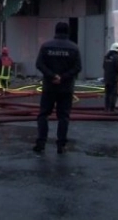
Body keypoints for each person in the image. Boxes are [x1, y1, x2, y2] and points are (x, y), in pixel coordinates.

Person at [33, 22, 82, 154]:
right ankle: (61, 145)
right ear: (68, 32)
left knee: (43, 115)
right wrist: (63, 77)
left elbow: (39, 64)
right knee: (64, 117)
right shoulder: (74, 48)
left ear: (55, 31)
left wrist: (52, 76)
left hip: (49, 87)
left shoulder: (46, 46)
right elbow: (78, 68)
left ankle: (41, 143)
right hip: (66, 88)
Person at [102, 42, 118, 112]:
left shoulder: (106, 57)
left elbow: (104, 66)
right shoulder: (117, 58)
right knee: (113, 94)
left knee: (107, 93)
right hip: (113, 78)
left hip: (107, 77)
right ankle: (112, 108)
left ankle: (106, 108)